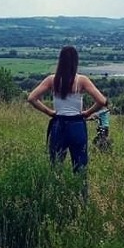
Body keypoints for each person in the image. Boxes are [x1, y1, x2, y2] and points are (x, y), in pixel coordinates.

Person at [27, 45, 108, 173]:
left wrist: (49, 112)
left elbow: (32, 98)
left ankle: (56, 191)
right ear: (75, 61)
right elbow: (102, 101)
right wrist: (87, 113)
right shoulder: (82, 80)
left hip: (58, 124)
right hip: (77, 124)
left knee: (56, 167)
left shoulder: (52, 80)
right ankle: (80, 192)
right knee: (80, 167)